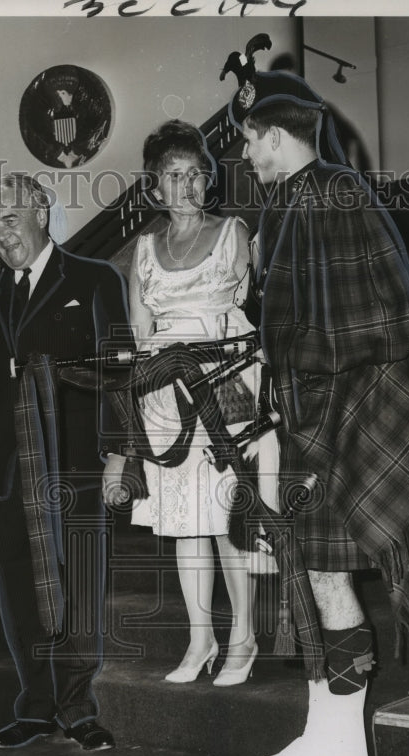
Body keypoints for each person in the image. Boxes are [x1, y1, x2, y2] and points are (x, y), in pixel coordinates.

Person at [223, 63, 409, 756]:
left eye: (249, 141)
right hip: (309, 416)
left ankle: (350, 753)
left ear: (273, 134)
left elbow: (392, 319)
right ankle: (323, 730)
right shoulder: (289, 203)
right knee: (309, 574)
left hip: (350, 418)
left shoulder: (336, 192)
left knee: (328, 578)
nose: (245, 156)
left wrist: (300, 370)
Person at [0, 172, 131, 751]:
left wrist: (118, 455)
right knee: (18, 588)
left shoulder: (93, 277)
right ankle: (35, 705)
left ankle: (77, 708)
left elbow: (118, 371)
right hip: (10, 467)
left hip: (77, 462)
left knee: (78, 581)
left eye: (9, 219)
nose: (1, 234)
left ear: (40, 211)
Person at [118, 119, 276, 687]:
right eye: (172, 176)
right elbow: (141, 334)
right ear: (155, 187)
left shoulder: (233, 232)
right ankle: (200, 637)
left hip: (226, 380)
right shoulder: (143, 249)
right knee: (186, 522)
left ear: (209, 180)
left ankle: (243, 637)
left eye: (194, 174)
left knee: (228, 514)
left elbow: (250, 312)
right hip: (165, 392)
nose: (185, 186)